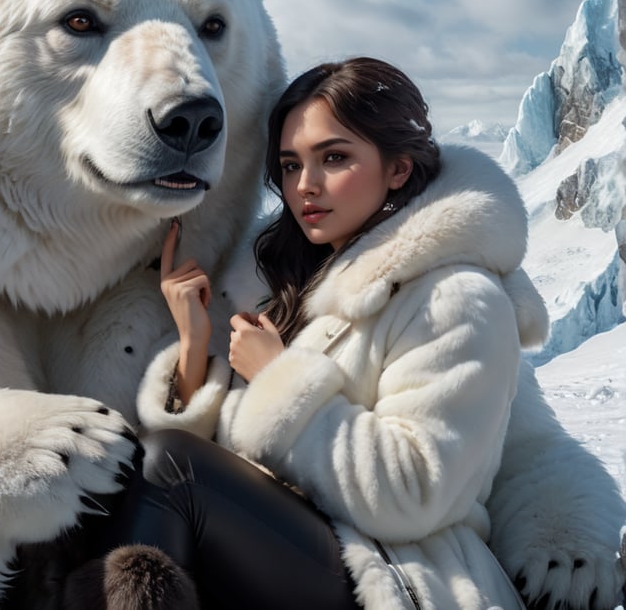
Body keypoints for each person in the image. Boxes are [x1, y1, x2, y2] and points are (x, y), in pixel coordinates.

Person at [54, 57, 549, 610]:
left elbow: (415, 493)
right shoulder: (293, 285)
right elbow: (245, 459)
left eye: (334, 158)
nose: (305, 185)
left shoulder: (455, 297)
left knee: (171, 465)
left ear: (398, 169)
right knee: (113, 471)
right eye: (291, 165)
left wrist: (279, 378)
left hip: (393, 575)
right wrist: (194, 343)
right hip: (297, 553)